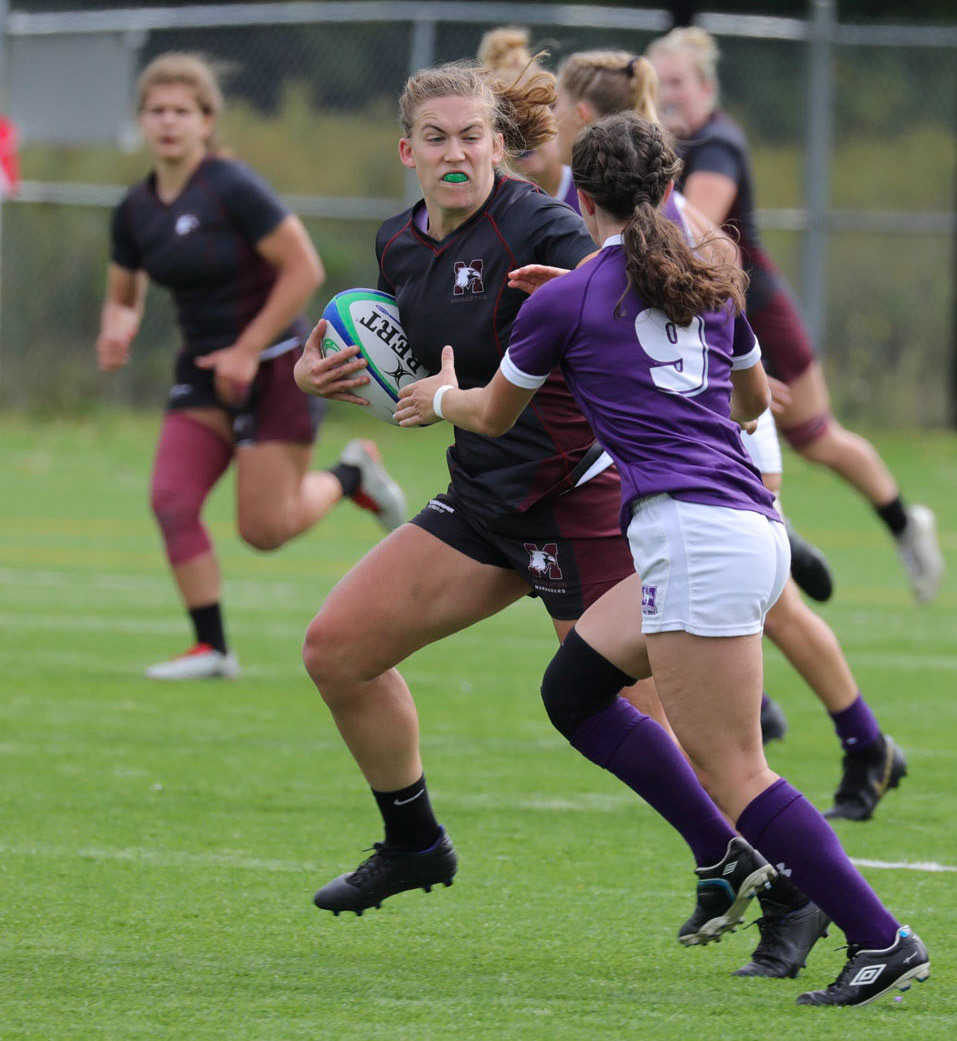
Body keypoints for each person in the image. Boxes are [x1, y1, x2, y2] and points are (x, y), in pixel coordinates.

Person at [396, 112, 930, 1009]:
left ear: (582, 196)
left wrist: (440, 394)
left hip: (693, 536)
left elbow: (489, 414)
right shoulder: (709, 278)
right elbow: (751, 399)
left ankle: (881, 938)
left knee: (736, 769)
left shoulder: (566, 299)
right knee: (573, 690)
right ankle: (729, 860)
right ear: (667, 188)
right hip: (745, 526)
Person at [293, 61, 802, 954]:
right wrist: (321, 371)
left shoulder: (545, 226)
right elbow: (414, 364)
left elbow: (650, 309)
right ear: (407, 151)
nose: (455, 152)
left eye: (471, 135)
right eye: (436, 138)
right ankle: (414, 842)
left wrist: (746, 438)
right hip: (483, 500)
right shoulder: (398, 245)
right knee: (336, 650)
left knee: (668, 723)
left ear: (499, 144)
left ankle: (786, 890)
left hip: (577, 496)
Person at [547, 44, 907, 821]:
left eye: (551, 114)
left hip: (721, 435)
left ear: (580, 119)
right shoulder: (607, 195)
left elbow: (715, 291)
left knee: (771, 607)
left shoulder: (653, 208)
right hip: (695, 440)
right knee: (736, 603)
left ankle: (859, 743)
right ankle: (816, 735)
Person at [96, 52, 406, 680]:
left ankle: (351, 475)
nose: (168, 122)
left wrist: (244, 349)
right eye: (156, 111)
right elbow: (124, 295)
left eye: (181, 111)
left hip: (273, 367)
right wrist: (116, 328)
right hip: (202, 372)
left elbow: (304, 270)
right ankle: (212, 649)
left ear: (206, 121)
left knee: (265, 530)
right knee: (171, 500)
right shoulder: (135, 210)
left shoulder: (230, 186)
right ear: (141, 121)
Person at [647, 26, 944, 605]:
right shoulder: (667, 146)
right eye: (660, 84)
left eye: (679, 81)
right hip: (712, 310)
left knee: (817, 437)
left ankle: (906, 526)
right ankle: (771, 532)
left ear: (705, 86)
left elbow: (689, 236)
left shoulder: (717, 144)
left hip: (758, 311)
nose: (670, 94)